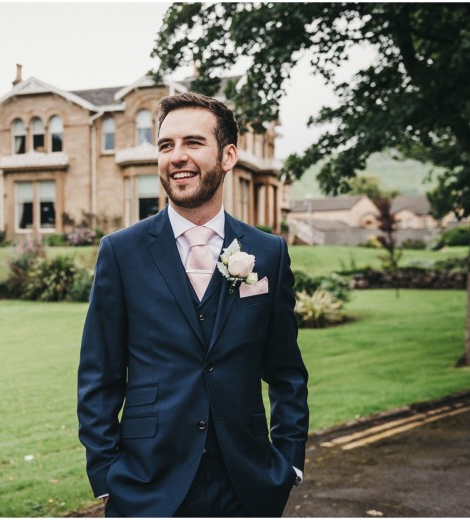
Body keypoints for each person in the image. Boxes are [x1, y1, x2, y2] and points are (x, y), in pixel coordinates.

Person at [76, 92, 309, 517]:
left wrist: (289, 461)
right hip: (149, 485)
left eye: (193, 143)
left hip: (248, 482)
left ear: (228, 155)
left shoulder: (268, 252)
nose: (176, 157)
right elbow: (99, 375)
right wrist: (107, 474)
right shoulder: (120, 252)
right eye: (166, 146)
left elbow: (286, 371)